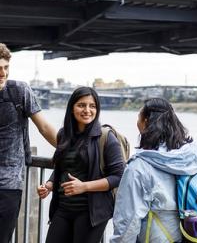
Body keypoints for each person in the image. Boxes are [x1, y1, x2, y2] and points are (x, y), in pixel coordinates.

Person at [110, 97, 197, 243]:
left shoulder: (138, 167)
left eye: (139, 117)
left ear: (145, 123)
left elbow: (127, 221)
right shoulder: (193, 154)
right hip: (191, 235)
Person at [38, 86, 125, 243]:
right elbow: (61, 166)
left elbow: (119, 176)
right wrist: (50, 184)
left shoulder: (106, 137)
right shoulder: (63, 134)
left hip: (90, 213)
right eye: (81, 105)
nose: (87, 110)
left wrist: (84, 186)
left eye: (92, 106)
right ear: (72, 108)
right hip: (62, 209)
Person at [0, 42, 57, 243]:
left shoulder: (19, 91)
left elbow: (44, 127)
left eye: (6, 68)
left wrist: (72, 149)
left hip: (8, 184)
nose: (3, 73)